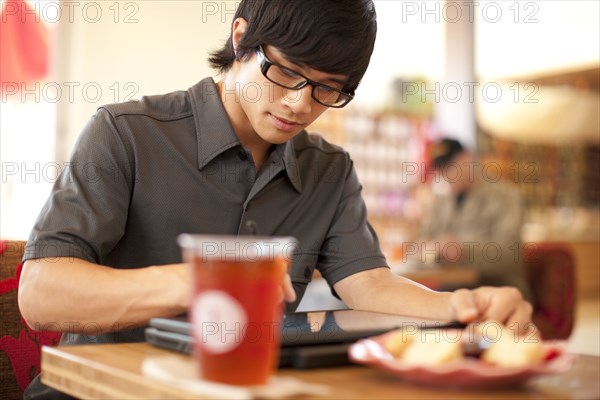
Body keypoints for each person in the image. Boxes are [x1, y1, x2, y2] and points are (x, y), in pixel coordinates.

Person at [19, 1, 534, 397]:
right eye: (286, 72)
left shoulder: (328, 170)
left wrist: (460, 307)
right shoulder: (125, 133)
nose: (300, 103)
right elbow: (41, 295)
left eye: (327, 89)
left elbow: (368, 283)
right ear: (241, 36)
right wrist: (198, 281)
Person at [418, 137, 533, 302]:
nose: (444, 174)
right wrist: (430, 249)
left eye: (449, 166)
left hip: (498, 294)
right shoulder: (441, 202)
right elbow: (422, 242)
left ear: (468, 159)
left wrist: (464, 251)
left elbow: (511, 255)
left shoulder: (505, 197)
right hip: (453, 296)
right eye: (440, 168)